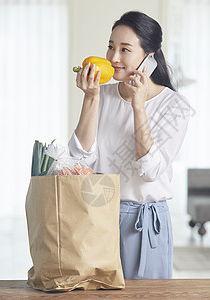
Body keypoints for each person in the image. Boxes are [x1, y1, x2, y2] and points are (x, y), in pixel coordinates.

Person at [69, 11, 190, 279]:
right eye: (111, 47)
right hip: (97, 216)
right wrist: (91, 98)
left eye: (125, 49)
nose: (113, 58)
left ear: (150, 57)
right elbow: (79, 160)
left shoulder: (176, 108)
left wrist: (138, 106)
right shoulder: (103, 95)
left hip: (144, 223)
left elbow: (149, 171)